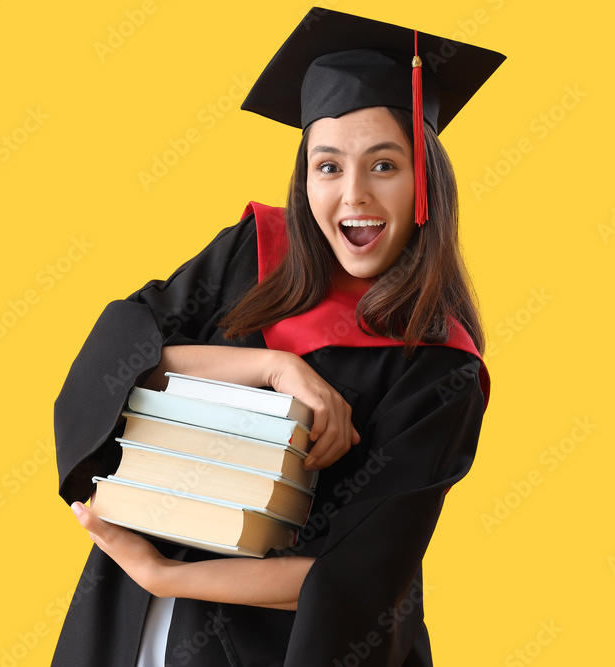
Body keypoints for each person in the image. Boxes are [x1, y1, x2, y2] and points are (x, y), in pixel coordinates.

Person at [51, 8, 505, 666]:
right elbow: (123, 365)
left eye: (384, 165)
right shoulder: (248, 255)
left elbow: (356, 575)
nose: (354, 195)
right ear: (304, 178)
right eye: (328, 166)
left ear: (426, 181)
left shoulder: (439, 369)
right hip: (121, 630)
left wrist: (161, 573)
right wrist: (276, 369)